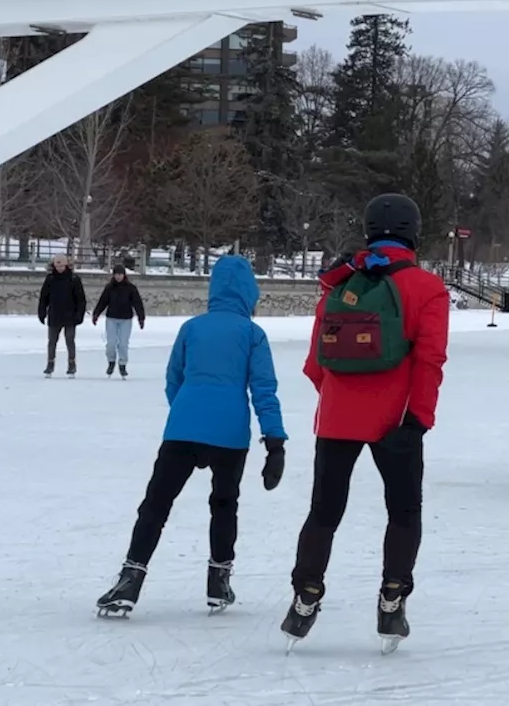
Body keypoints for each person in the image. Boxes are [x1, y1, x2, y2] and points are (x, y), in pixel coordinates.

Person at [281, 193, 450, 651]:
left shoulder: (342, 282)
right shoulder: (428, 288)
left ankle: (306, 595)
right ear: (415, 231)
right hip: (396, 420)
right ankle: (393, 598)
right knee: (404, 511)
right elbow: (431, 360)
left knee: (324, 512)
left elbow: (317, 361)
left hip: (337, 417)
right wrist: (417, 419)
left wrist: (338, 398)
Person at [96, 255, 287, 617]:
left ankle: (129, 580)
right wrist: (274, 442)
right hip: (231, 434)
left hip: (183, 428)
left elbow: (174, 379)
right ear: (250, 292)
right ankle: (219, 582)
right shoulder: (252, 334)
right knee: (224, 505)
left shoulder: (193, 328)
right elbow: (264, 390)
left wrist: (187, 411)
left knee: (156, 503)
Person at [91, 264, 146, 378]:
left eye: (120, 274)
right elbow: (103, 301)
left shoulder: (131, 288)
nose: (118, 277)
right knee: (111, 343)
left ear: (124, 275)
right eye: (116, 274)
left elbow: (137, 303)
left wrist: (141, 317)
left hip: (126, 319)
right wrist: (96, 313)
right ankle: (111, 362)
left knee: (123, 344)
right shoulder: (109, 288)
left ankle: (122, 364)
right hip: (111, 318)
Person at [37, 254, 87, 377]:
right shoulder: (50, 279)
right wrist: (42, 312)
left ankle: (71, 364)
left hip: (70, 315)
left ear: (66, 265)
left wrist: (79, 315)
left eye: (62, 266)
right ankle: (50, 363)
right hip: (54, 314)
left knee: (70, 340)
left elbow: (81, 299)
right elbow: (44, 297)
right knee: (52, 341)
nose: (59, 268)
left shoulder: (74, 279)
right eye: (57, 265)